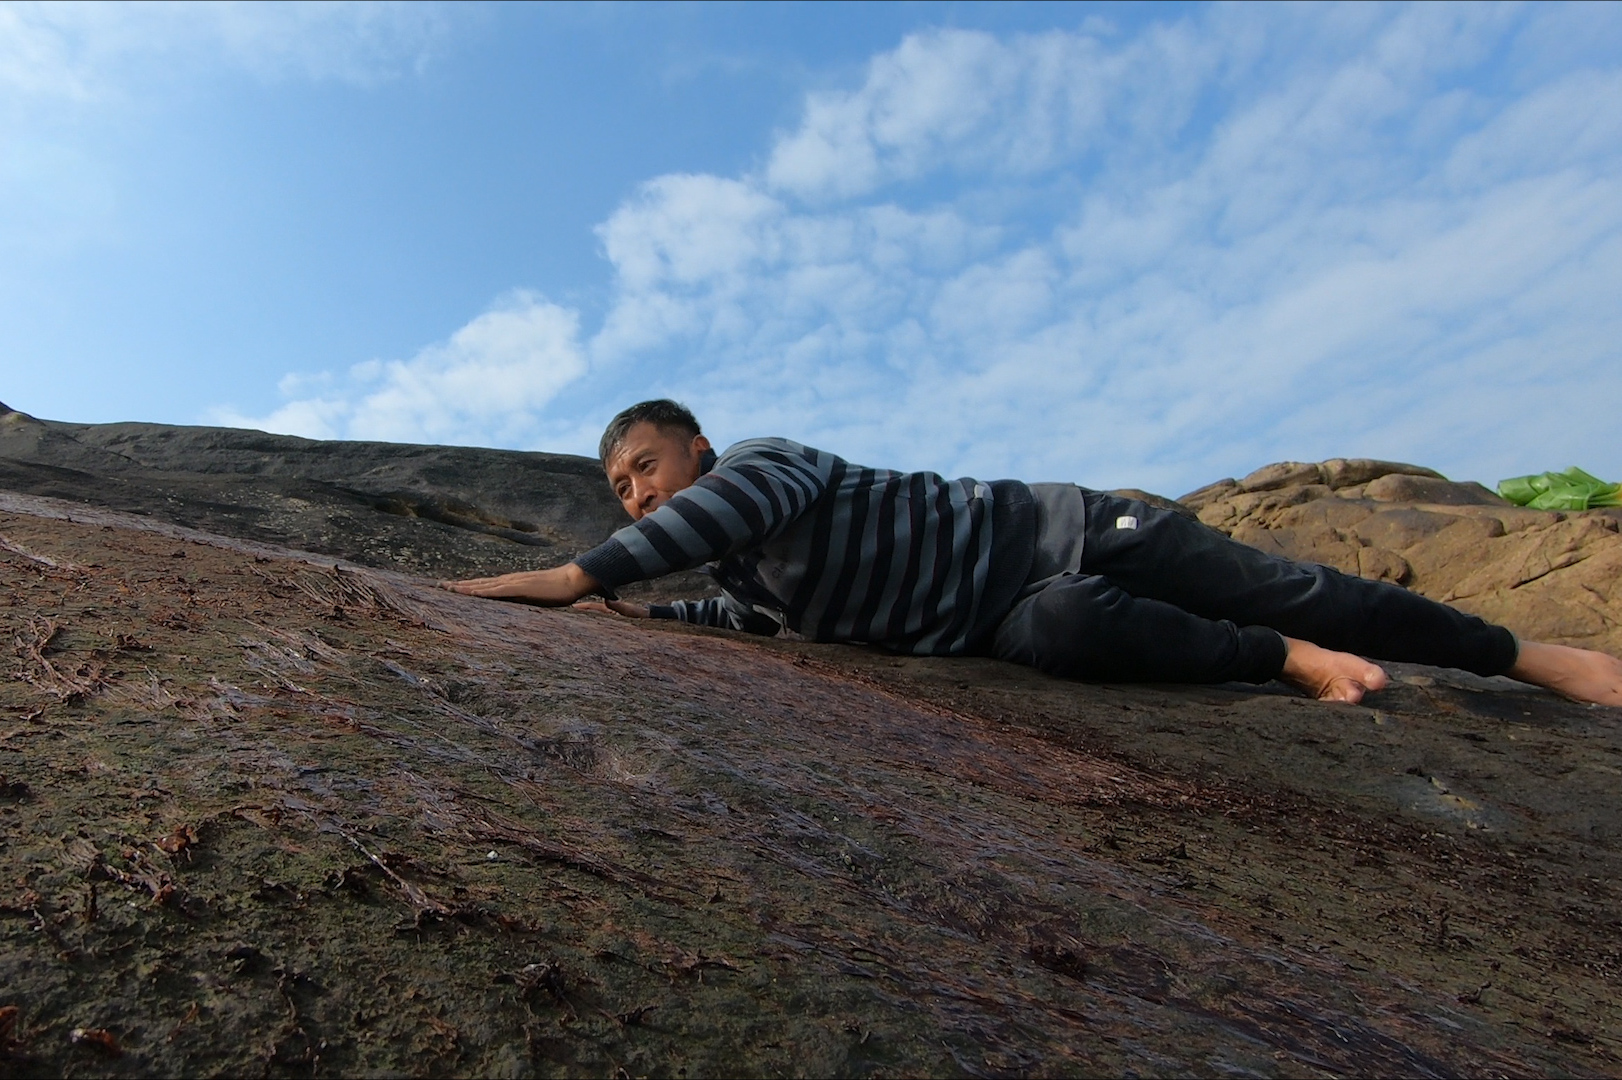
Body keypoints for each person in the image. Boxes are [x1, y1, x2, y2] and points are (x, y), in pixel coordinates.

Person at [442, 400, 1622, 707]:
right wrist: (636, 622)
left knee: (1286, 577)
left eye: (643, 470)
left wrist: (573, 578)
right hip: (999, 615)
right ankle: (1284, 659)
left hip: (1059, 528)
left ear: (691, 447)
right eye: (618, 490)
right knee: (1067, 636)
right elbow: (739, 619)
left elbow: (700, 526)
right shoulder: (744, 574)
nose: (637, 494)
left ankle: (1529, 657)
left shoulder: (762, 462)